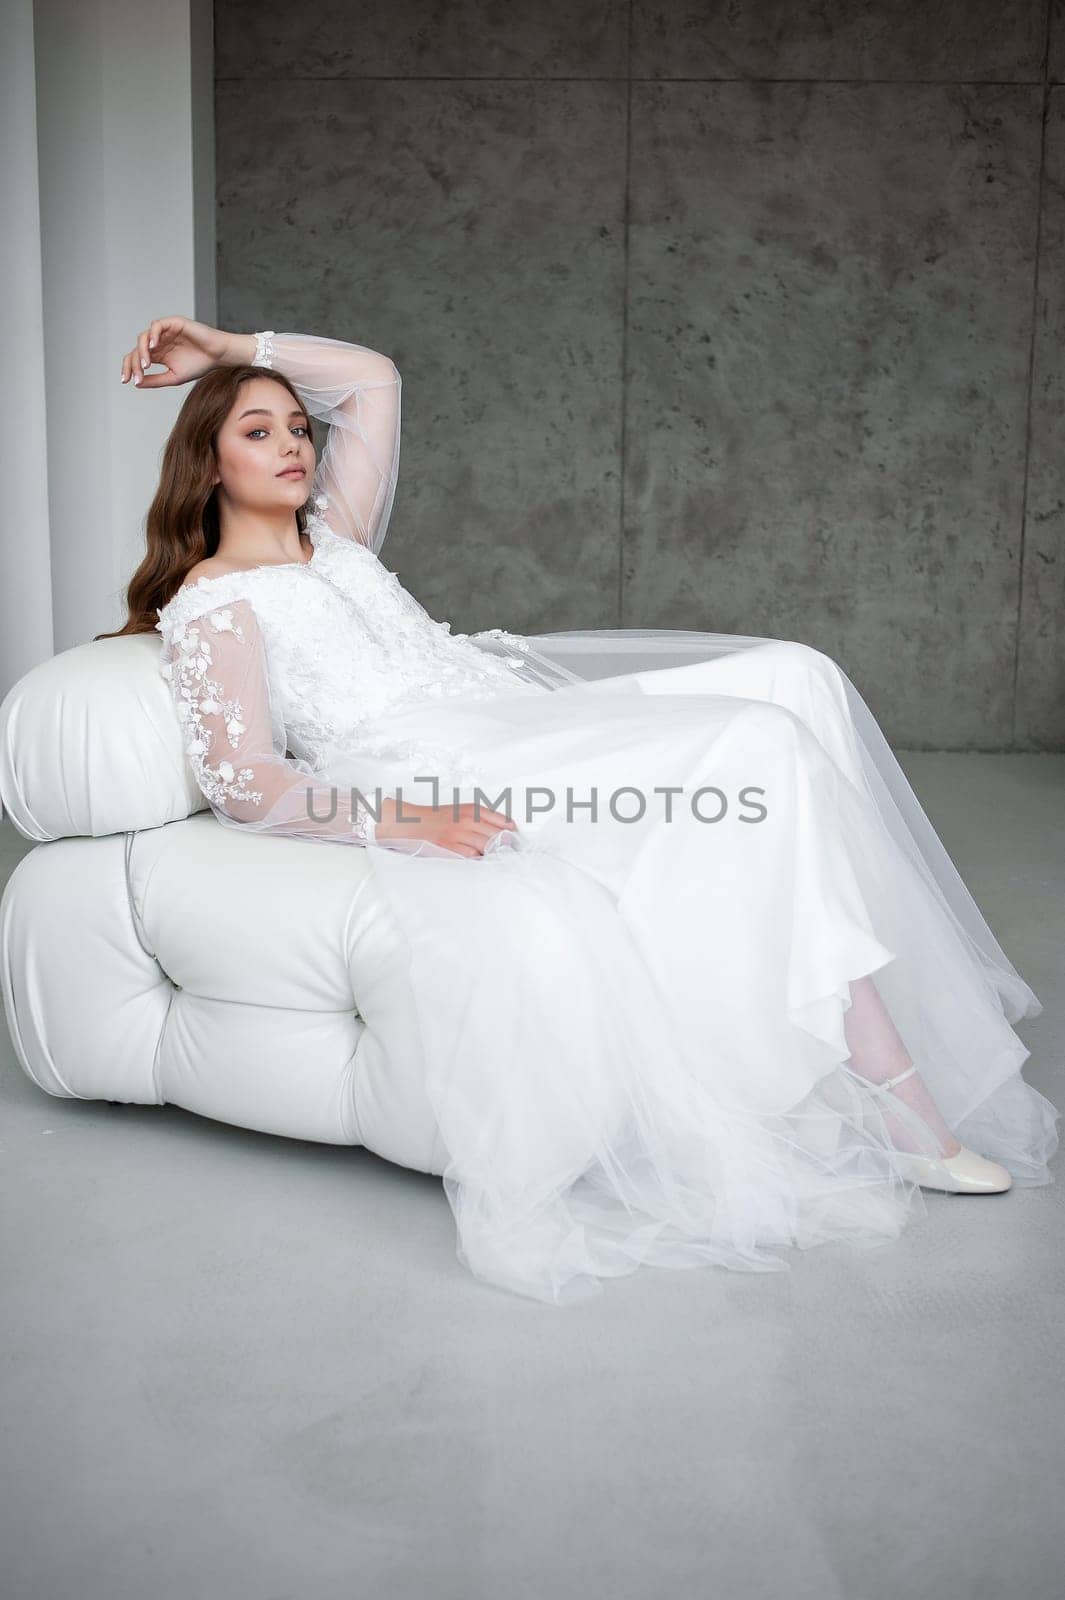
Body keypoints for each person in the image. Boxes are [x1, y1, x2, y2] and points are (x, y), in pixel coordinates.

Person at [97, 316, 1059, 1305]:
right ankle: (898, 1105)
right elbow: (245, 778)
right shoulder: (214, 601)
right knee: (758, 746)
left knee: (794, 679)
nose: (296, 445)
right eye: (258, 431)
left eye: (298, 427)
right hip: (454, 763)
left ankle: (829, 1045)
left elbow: (374, 380)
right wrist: (402, 819)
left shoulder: (333, 538)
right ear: (206, 464)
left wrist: (226, 348)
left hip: (519, 717)